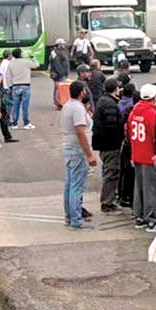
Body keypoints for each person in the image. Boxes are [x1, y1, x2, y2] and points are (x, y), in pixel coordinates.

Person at [60, 80, 97, 229]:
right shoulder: (77, 108)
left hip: (70, 149)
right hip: (78, 151)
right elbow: (80, 131)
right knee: (76, 186)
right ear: (81, 92)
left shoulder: (69, 105)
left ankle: (70, 216)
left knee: (70, 185)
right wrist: (89, 154)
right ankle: (76, 219)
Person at [128, 84, 156, 230]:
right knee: (151, 188)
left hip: (137, 153)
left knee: (139, 186)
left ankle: (139, 215)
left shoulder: (134, 111)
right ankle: (151, 218)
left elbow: (128, 133)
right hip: (150, 155)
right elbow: (155, 136)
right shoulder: (152, 113)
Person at [92, 77, 125, 212]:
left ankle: (107, 199)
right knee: (112, 172)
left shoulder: (103, 101)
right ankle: (107, 202)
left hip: (104, 144)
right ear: (115, 89)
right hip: (110, 145)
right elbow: (111, 125)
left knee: (108, 171)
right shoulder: (110, 104)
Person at [7, 47, 35, 129]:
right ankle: (26, 123)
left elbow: (8, 76)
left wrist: (10, 86)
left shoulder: (11, 63)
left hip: (15, 86)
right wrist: (32, 57)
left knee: (15, 105)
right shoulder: (26, 62)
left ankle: (15, 123)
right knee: (25, 106)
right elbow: (36, 64)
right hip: (25, 85)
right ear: (20, 54)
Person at [49, 41, 70, 105]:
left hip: (60, 73)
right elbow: (57, 64)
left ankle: (57, 101)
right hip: (58, 74)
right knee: (59, 88)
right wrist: (62, 73)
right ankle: (58, 101)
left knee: (58, 88)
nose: (64, 45)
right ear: (59, 45)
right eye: (62, 44)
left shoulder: (59, 52)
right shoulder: (55, 53)